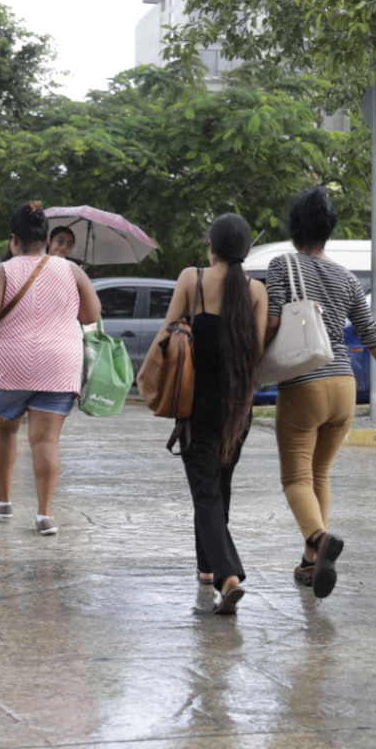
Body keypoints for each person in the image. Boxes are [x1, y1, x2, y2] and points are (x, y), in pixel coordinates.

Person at [265, 187, 376, 600]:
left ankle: (318, 539)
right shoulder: (347, 279)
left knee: (295, 477)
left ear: (296, 228)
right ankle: (311, 564)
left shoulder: (282, 265)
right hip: (344, 387)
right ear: (328, 231)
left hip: (304, 384)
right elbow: (372, 337)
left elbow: (273, 323)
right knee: (320, 473)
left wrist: (251, 362)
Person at [150, 214, 268, 615]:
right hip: (237, 406)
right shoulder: (256, 291)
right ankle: (206, 567)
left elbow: (167, 336)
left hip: (197, 404)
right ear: (245, 251)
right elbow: (256, 354)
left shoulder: (192, 279)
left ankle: (227, 576)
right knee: (220, 486)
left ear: (211, 247)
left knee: (206, 492)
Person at [0, 202, 101, 536]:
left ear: (15, 239)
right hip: (59, 363)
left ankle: (3, 500)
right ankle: (44, 515)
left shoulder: (2, 271)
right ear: (46, 237)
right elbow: (91, 315)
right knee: (46, 441)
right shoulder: (72, 272)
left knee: (4, 430)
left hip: (10, 363)